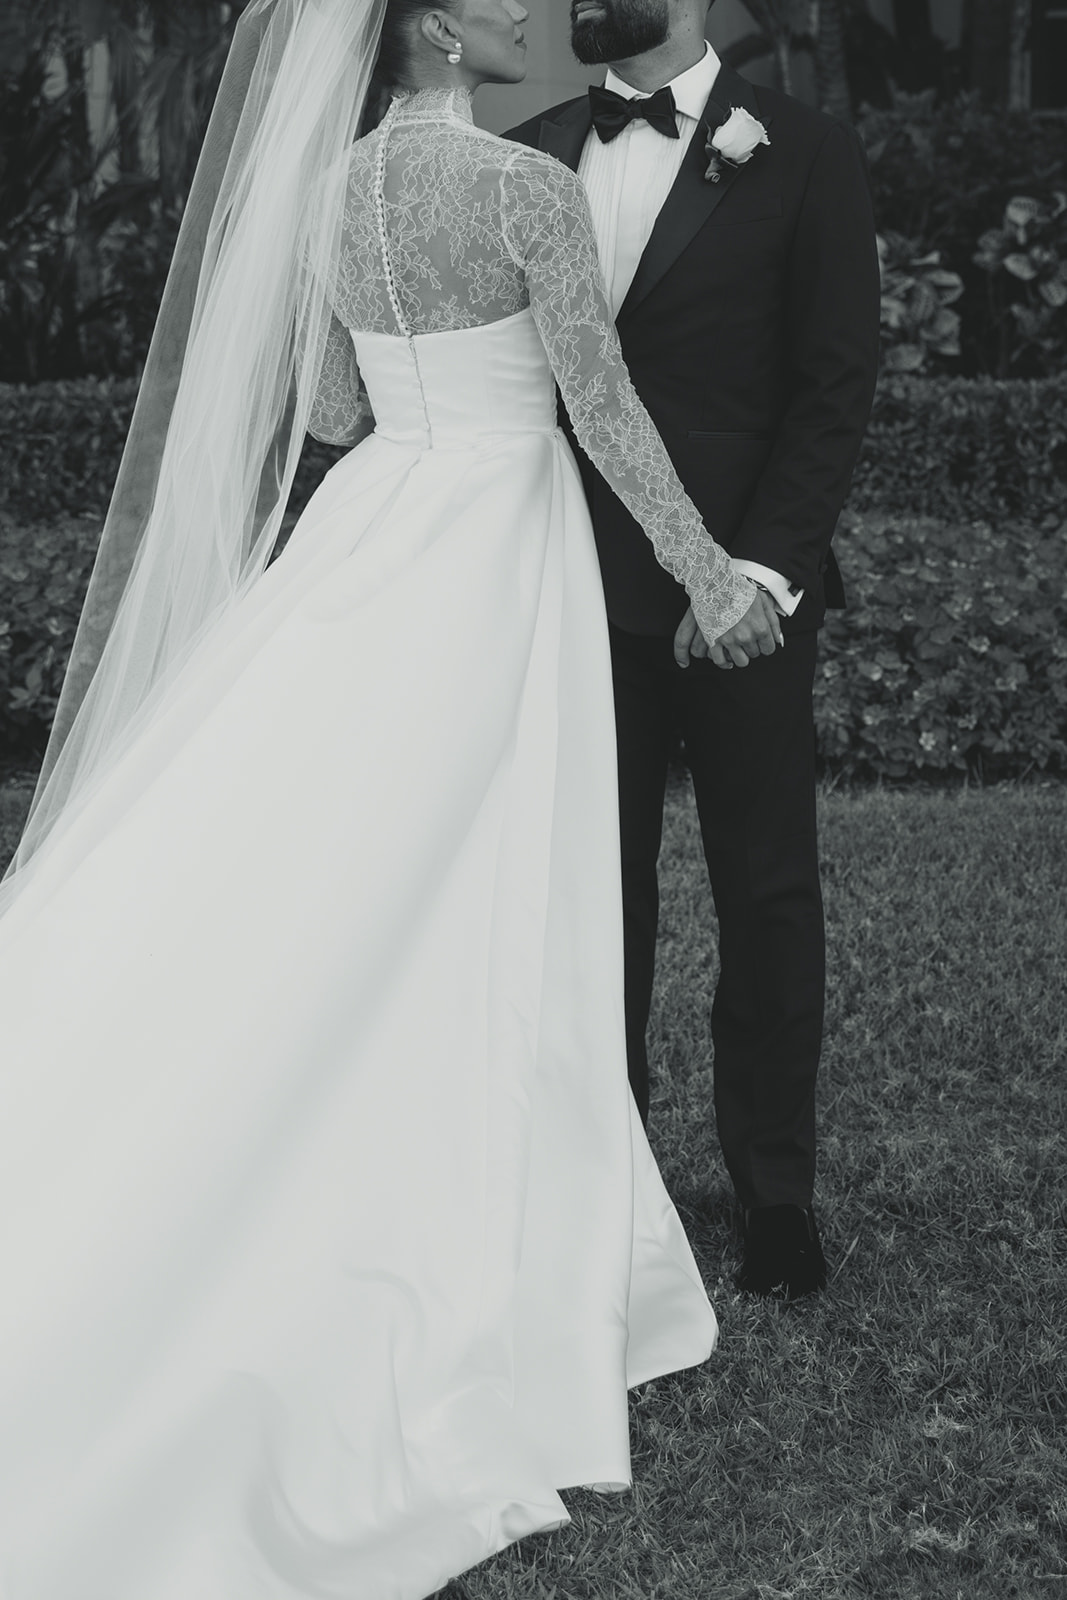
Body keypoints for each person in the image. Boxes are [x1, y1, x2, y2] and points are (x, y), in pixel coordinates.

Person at [0, 0, 775, 1595]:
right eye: (487, 0)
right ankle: (477, 1244)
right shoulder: (523, 191)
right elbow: (602, 412)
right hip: (494, 554)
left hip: (372, 543)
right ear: (426, 31)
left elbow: (343, 417)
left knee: (346, 881)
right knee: (492, 885)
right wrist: (712, 575)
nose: (521, 15)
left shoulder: (333, 192)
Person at [508, 0, 881, 1300]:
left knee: (766, 892)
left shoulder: (807, 149)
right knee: (593, 899)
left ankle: (773, 1193)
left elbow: (837, 379)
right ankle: (601, 1179)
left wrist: (759, 575)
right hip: (573, 592)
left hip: (746, 603)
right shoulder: (535, 146)